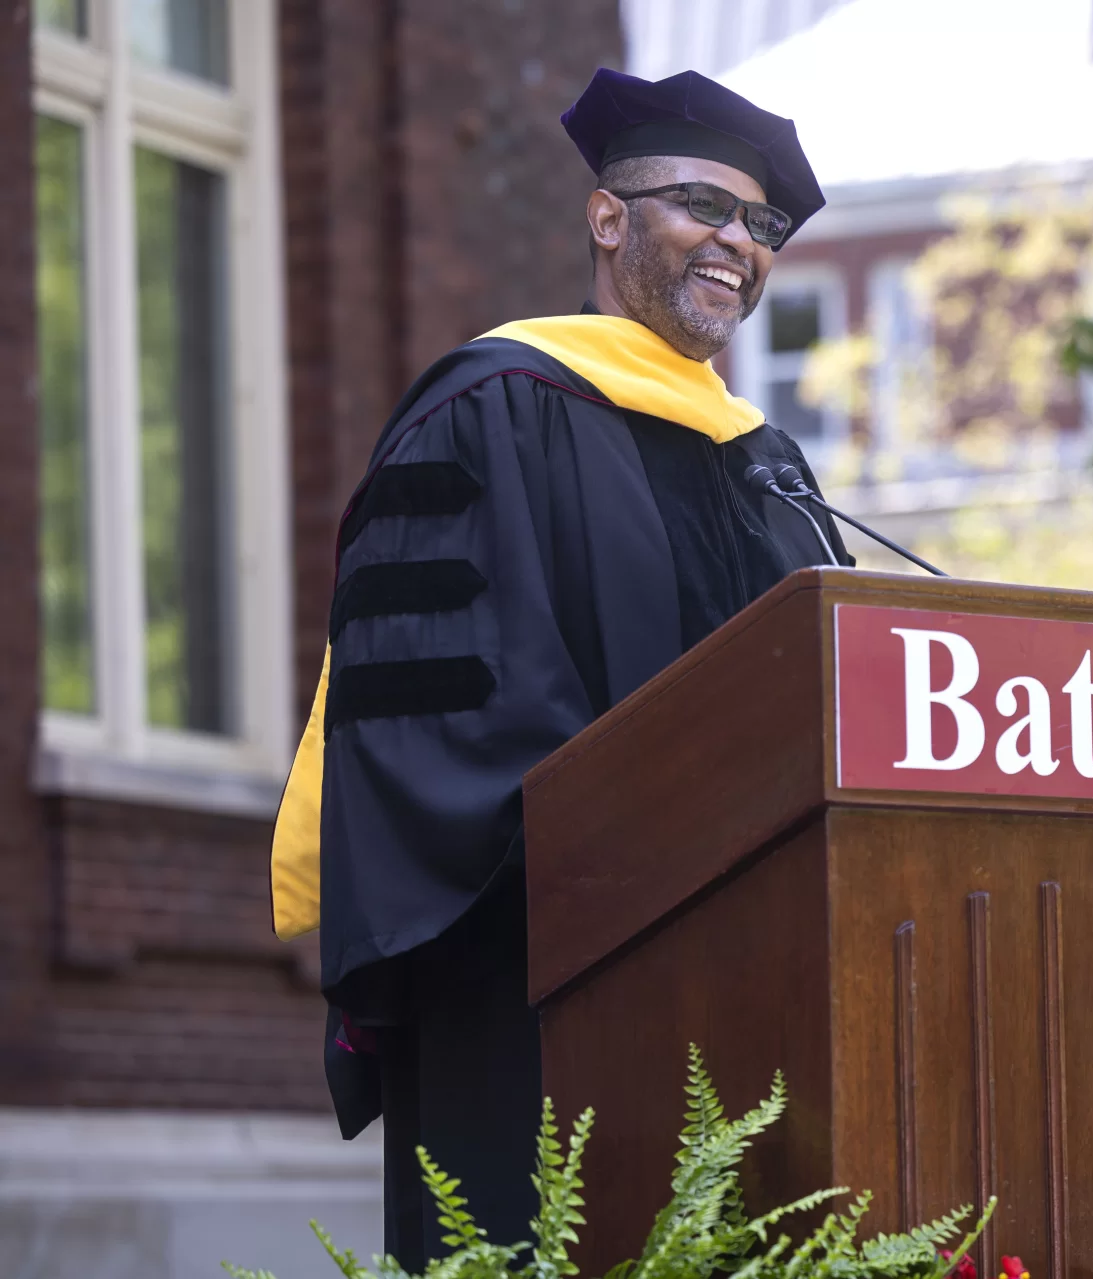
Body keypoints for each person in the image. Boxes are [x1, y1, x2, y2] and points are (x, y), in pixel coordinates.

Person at [265, 68, 849, 1270]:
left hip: (771, 984)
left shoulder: (764, 465)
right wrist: (652, 856)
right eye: (702, 205)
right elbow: (447, 720)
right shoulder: (489, 408)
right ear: (607, 217)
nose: (737, 243)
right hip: (536, 980)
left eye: (761, 225)